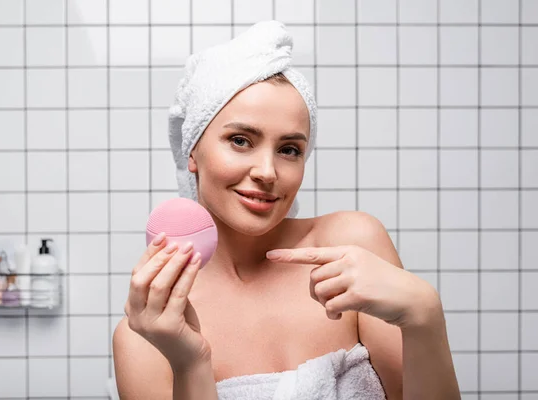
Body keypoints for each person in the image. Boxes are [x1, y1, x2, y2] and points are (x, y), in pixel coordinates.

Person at [113, 21, 460, 400]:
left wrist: (425, 315)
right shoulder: (151, 330)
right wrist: (191, 362)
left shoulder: (350, 249)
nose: (267, 172)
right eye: (241, 140)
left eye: (289, 149)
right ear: (192, 151)